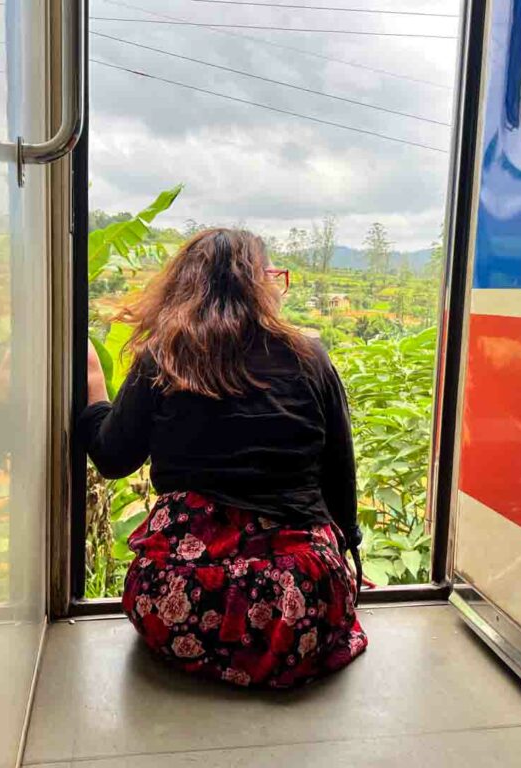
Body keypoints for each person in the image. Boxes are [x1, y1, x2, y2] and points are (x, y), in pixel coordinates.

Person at [79, 228, 368, 688]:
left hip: (180, 603)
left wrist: (95, 389)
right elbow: (340, 473)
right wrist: (348, 549)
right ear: (262, 287)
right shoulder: (310, 357)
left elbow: (114, 459)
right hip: (297, 613)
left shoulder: (164, 358)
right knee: (308, 603)